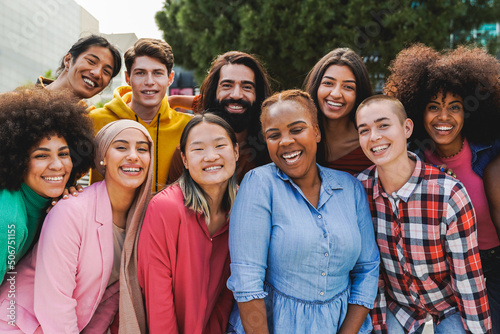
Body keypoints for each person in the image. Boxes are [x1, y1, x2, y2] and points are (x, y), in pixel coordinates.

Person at [227, 89, 380, 333]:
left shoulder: (350, 187)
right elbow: (247, 280)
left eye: (297, 130)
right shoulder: (259, 184)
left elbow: (367, 268)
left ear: (316, 132)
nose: (286, 141)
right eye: (274, 135)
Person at [384, 44, 500, 333]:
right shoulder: (413, 161)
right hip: (447, 278)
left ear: (469, 111)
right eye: (433, 106)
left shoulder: (490, 152)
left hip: (493, 266)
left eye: (454, 107)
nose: (443, 117)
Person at [0, 120, 153, 333]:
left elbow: (108, 300)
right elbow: (56, 303)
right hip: (18, 324)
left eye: (142, 149)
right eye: (121, 147)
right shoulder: (69, 211)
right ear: (103, 157)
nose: (133, 155)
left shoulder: (146, 220)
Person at [355, 95, 491, 333]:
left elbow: (467, 277)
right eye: (364, 130)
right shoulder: (359, 190)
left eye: (383, 125)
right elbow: (369, 271)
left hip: (449, 304)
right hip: (397, 304)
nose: (374, 136)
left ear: (407, 128)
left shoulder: (449, 193)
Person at [138, 114, 238, 333]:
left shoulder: (242, 210)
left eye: (220, 145)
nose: (211, 156)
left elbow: (227, 294)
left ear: (236, 152)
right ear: (184, 159)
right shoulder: (165, 208)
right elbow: (157, 297)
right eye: (198, 149)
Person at [0, 88, 94, 284]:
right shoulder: (9, 222)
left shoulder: (49, 200)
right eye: (41, 156)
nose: (57, 165)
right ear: (16, 160)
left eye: (63, 154)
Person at [90, 38, 192, 192]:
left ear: (170, 78)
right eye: (140, 73)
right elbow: (66, 173)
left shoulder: (188, 127)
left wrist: (180, 100)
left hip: (166, 216)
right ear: (127, 78)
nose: (149, 81)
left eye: (157, 73)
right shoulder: (95, 120)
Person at [167, 51, 272, 184]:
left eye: (247, 87)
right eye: (227, 85)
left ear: (258, 96)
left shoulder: (272, 148)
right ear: (214, 92)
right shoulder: (187, 154)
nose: (236, 95)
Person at [303, 48, 373, 175]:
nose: (335, 94)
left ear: (359, 94)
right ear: (316, 86)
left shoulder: (370, 143)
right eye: (328, 83)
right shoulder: (299, 136)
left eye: (348, 87)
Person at [37, 34, 121, 101]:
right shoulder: (25, 101)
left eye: (106, 71)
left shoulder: (92, 120)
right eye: (91, 61)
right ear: (68, 59)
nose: (97, 73)